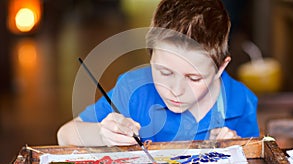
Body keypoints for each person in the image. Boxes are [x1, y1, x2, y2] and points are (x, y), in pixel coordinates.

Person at [57, 0, 259, 146]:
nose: (176, 90)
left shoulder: (241, 101)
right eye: (164, 72)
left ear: (220, 68)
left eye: (194, 78)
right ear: (150, 56)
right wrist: (102, 135)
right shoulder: (133, 89)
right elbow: (64, 135)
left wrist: (236, 148)